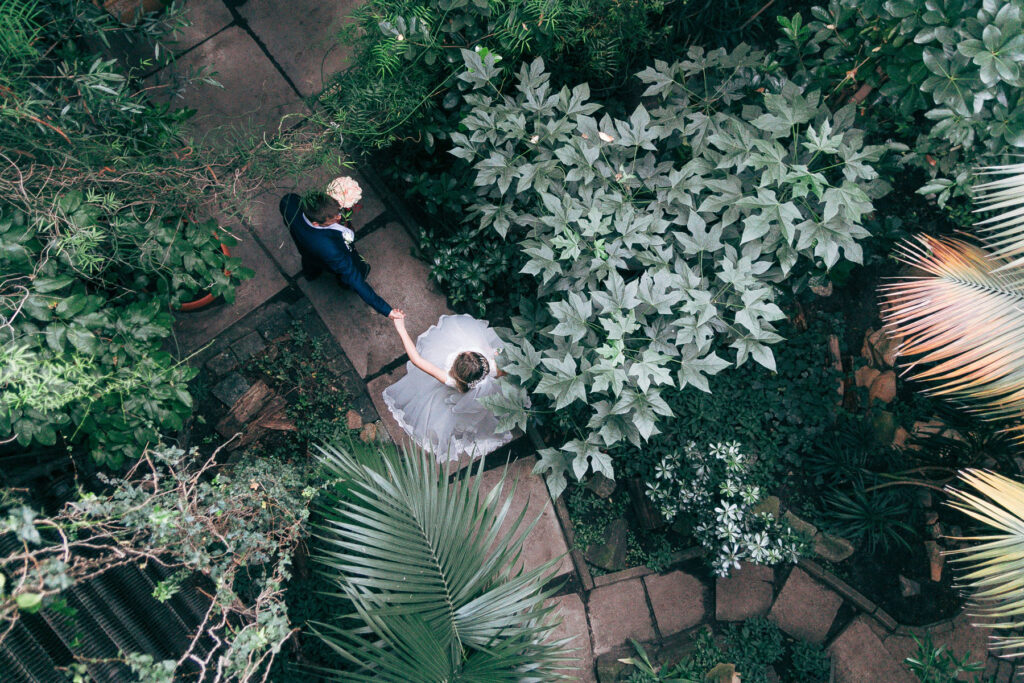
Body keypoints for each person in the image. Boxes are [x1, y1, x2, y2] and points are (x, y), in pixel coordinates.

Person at [382, 313, 514, 462]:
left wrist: (401, 328)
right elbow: (505, 372)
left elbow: (416, 359)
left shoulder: (449, 379)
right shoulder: (490, 369)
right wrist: (497, 356)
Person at [279, 191, 400, 319]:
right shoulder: (330, 250)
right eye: (333, 218)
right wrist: (387, 310)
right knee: (354, 274)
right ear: (316, 223)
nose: (339, 217)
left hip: (307, 250)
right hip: (329, 257)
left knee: (311, 262)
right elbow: (355, 280)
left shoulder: (289, 202)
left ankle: (310, 274)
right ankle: (343, 284)